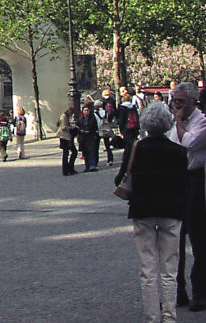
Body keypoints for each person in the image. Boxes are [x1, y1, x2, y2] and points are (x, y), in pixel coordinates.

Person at [114, 102, 188, 322]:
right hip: (171, 210)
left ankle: (152, 317)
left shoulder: (136, 148)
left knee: (148, 270)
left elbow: (120, 179)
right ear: (167, 124)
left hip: (143, 209)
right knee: (169, 270)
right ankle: (170, 316)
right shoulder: (179, 151)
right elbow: (184, 182)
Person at [167, 82, 206, 311]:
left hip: (195, 180)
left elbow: (189, 144)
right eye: (174, 100)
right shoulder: (175, 123)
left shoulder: (202, 122)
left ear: (192, 101)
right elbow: (173, 143)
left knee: (199, 239)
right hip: (178, 180)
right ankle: (178, 291)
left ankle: (200, 290)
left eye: (180, 101)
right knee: (175, 238)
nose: (176, 105)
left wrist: (180, 121)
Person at [77, 104, 100, 172]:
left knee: (92, 151)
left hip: (91, 136)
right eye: (85, 110)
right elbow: (78, 127)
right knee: (85, 152)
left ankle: (92, 166)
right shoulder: (80, 118)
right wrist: (81, 131)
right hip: (83, 137)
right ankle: (87, 166)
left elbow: (95, 127)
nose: (86, 111)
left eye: (87, 110)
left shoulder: (92, 118)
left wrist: (90, 131)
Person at [56, 106, 78, 176]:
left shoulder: (64, 116)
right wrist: (72, 127)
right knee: (67, 154)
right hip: (64, 137)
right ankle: (67, 169)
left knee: (69, 153)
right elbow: (64, 127)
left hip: (65, 137)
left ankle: (69, 168)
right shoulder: (64, 116)